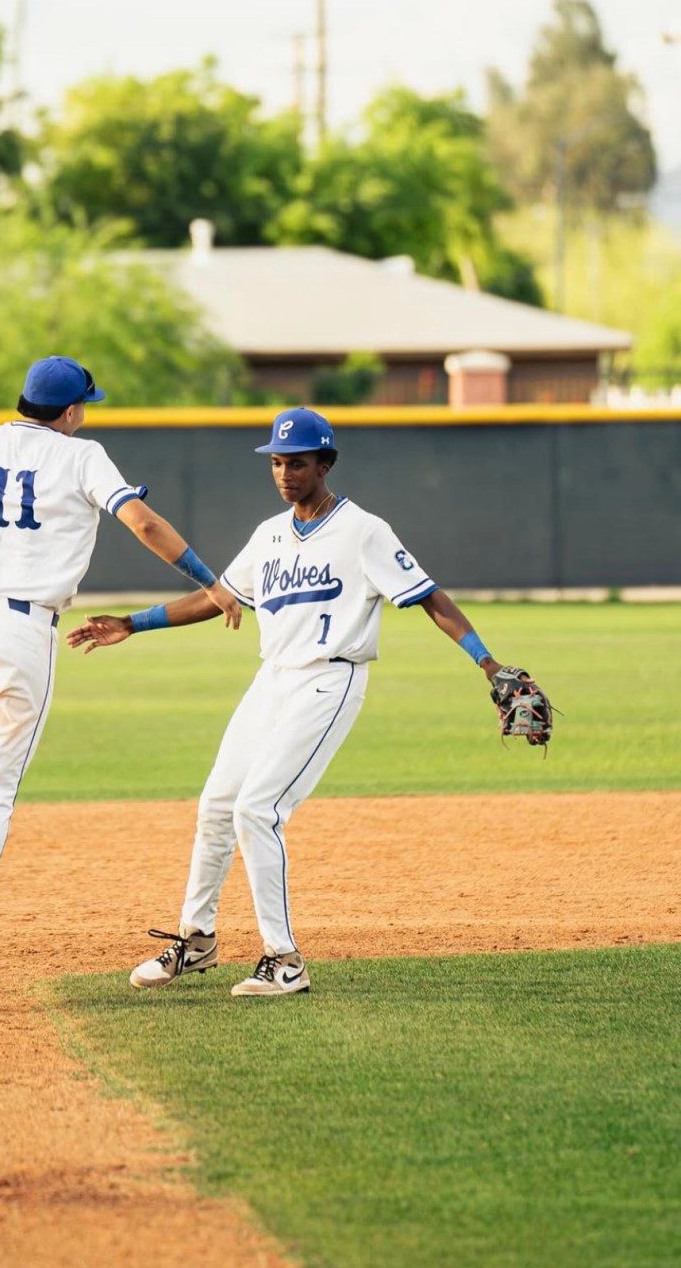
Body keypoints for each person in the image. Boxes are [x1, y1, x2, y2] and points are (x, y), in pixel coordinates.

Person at [68, 406, 524, 998]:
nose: (284, 473)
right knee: (216, 805)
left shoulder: (364, 530)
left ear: (325, 463)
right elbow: (220, 598)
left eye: (297, 462)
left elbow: (430, 596)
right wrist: (133, 623)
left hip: (329, 681)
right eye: (277, 462)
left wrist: (488, 663)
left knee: (257, 810)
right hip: (273, 680)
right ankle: (197, 939)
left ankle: (285, 960)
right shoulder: (270, 534)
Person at [0, 355, 241, 996]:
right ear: (70, 410)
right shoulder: (83, 456)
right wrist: (213, 583)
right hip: (20, 630)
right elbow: (144, 523)